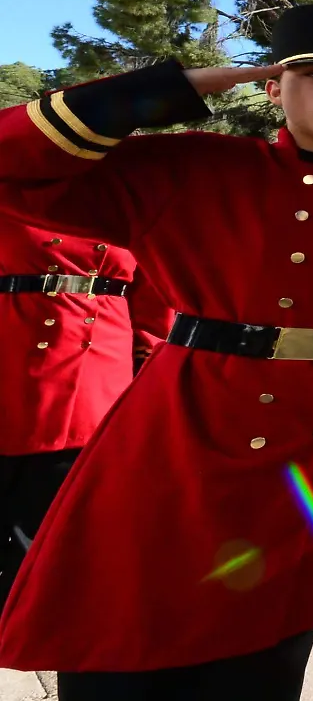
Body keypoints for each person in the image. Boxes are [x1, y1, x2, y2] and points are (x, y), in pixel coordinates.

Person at [0, 5, 313, 699]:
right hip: (185, 435)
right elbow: (11, 164)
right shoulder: (196, 166)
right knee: (134, 627)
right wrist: (178, 87)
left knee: (270, 641)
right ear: (272, 88)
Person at [0, 215, 171, 605]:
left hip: (96, 367)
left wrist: (147, 364)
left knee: (53, 533)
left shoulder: (126, 199)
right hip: (11, 345)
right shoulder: (12, 177)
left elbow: (155, 295)